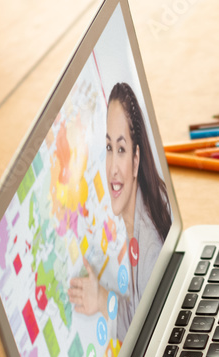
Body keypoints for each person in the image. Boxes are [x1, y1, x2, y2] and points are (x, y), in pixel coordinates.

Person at [69, 81, 171, 341]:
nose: (113, 167)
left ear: (136, 160)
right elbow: (142, 311)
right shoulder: (143, 205)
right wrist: (103, 299)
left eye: (122, 149)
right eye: (109, 148)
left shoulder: (149, 249)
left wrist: (102, 299)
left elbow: (144, 335)